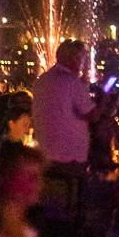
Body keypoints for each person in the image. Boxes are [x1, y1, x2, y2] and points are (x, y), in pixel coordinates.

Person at [31, 40, 95, 169]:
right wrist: (104, 100)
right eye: (82, 59)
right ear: (73, 59)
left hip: (45, 154)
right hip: (70, 157)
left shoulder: (42, 80)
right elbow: (91, 115)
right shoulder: (72, 82)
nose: (83, 64)